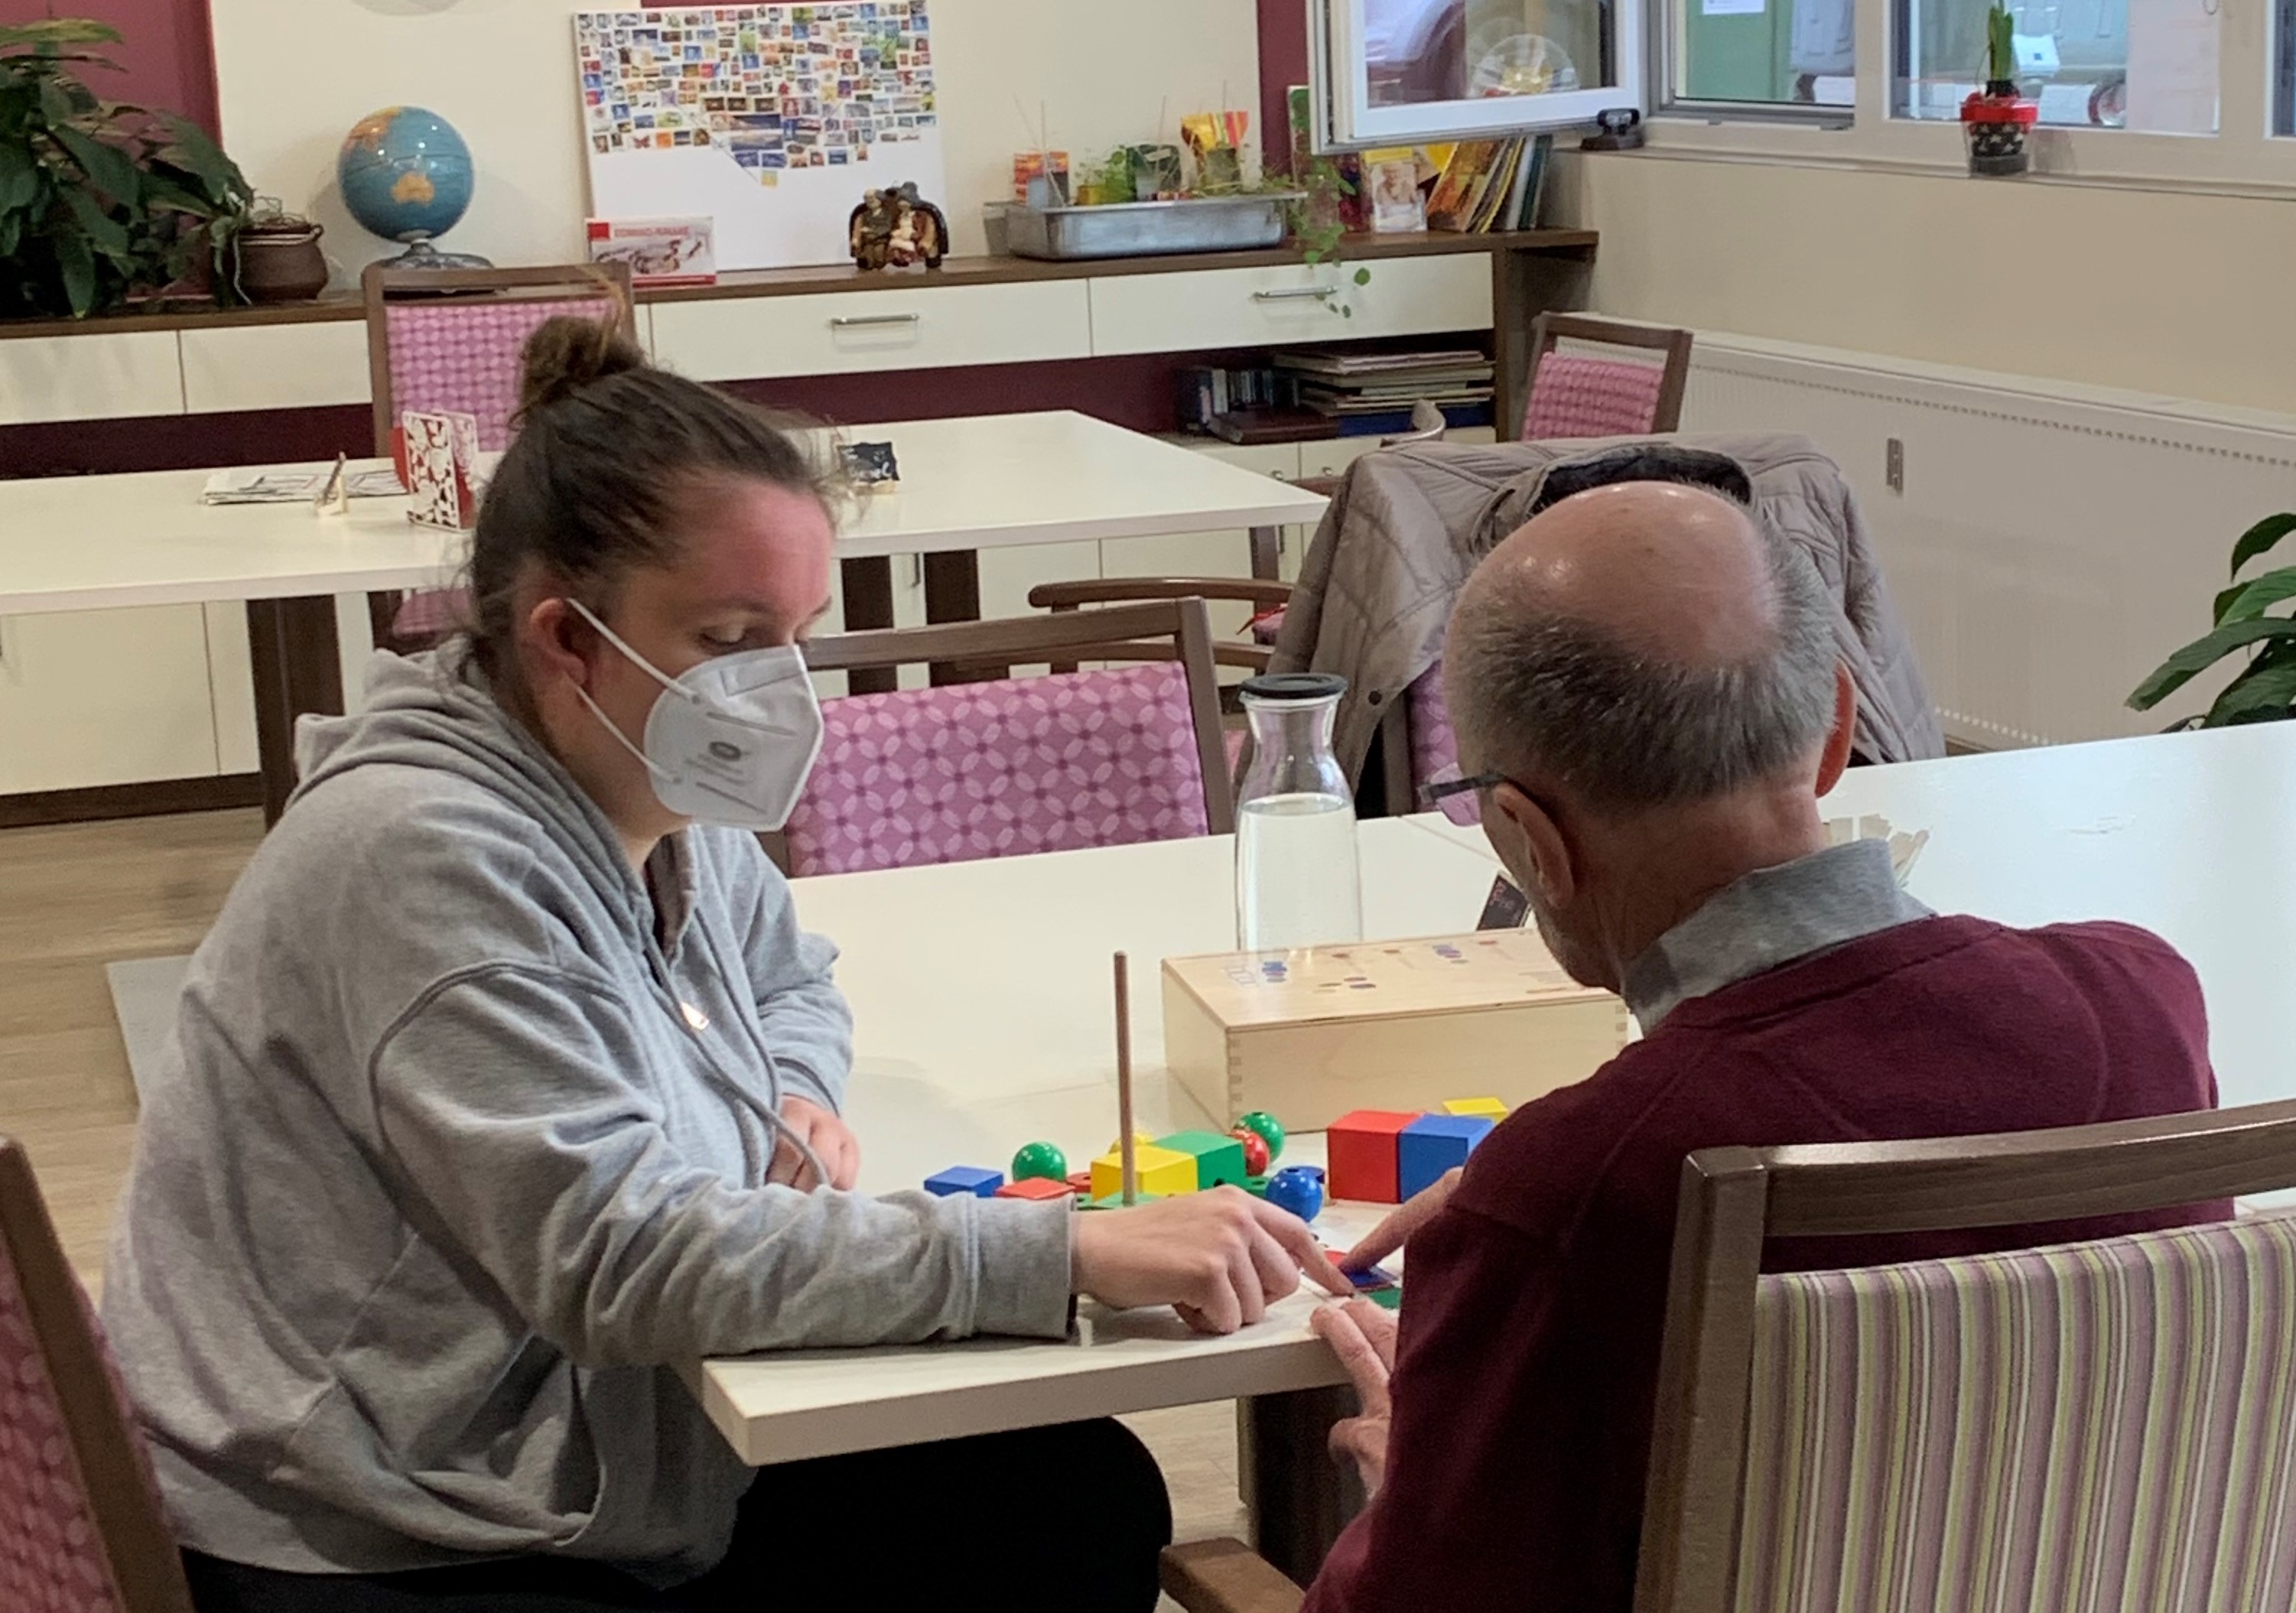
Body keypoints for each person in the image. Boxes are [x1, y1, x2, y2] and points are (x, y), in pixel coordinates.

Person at [102, 313, 1345, 1613]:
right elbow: (617, 1260)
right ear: (564, 637)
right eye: (730, 637)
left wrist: (786, 1098)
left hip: (527, 1429)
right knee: (1045, 1516)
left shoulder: (633, 779)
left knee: (1072, 1493)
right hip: (379, 1518)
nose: (775, 688)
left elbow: (787, 979)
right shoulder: (423, 857)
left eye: (793, 633)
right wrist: (1065, 1253)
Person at [1299, 480, 2224, 1612]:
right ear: (1836, 728)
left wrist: (1409, 1492)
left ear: (1525, 838)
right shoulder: (2139, 1001)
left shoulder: (1579, 1191)